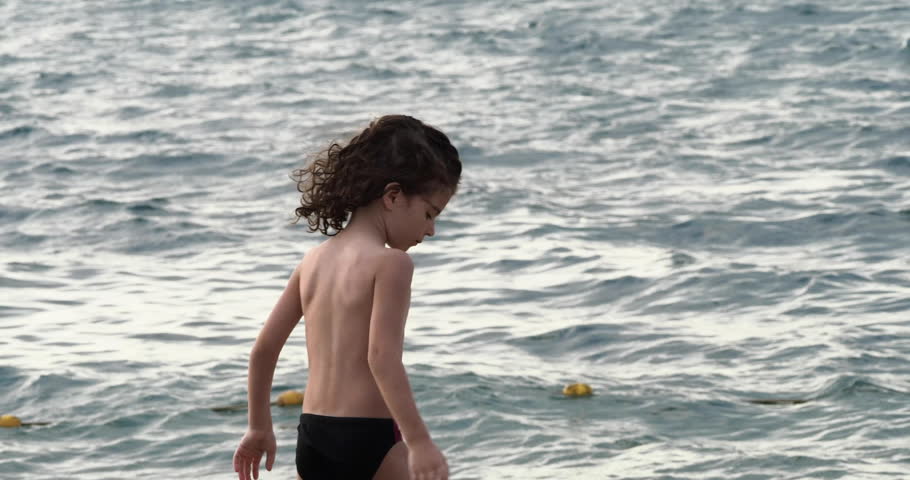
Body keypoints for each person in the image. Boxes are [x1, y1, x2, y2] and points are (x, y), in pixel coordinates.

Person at [232, 114, 462, 480]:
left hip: (313, 438)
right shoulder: (392, 264)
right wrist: (419, 442)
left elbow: (262, 350)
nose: (431, 230)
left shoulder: (312, 261)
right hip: (368, 438)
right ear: (393, 196)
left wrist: (258, 427)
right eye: (429, 214)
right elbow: (382, 358)